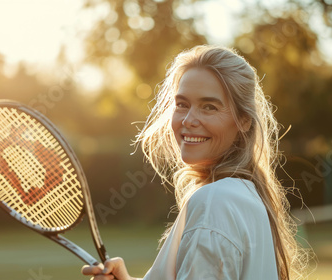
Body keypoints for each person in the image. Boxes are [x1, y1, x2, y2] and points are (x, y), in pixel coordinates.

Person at [82, 45, 307, 280]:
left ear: (243, 121)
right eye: (182, 104)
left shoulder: (215, 201)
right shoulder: (246, 194)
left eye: (209, 107)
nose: (189, 120)